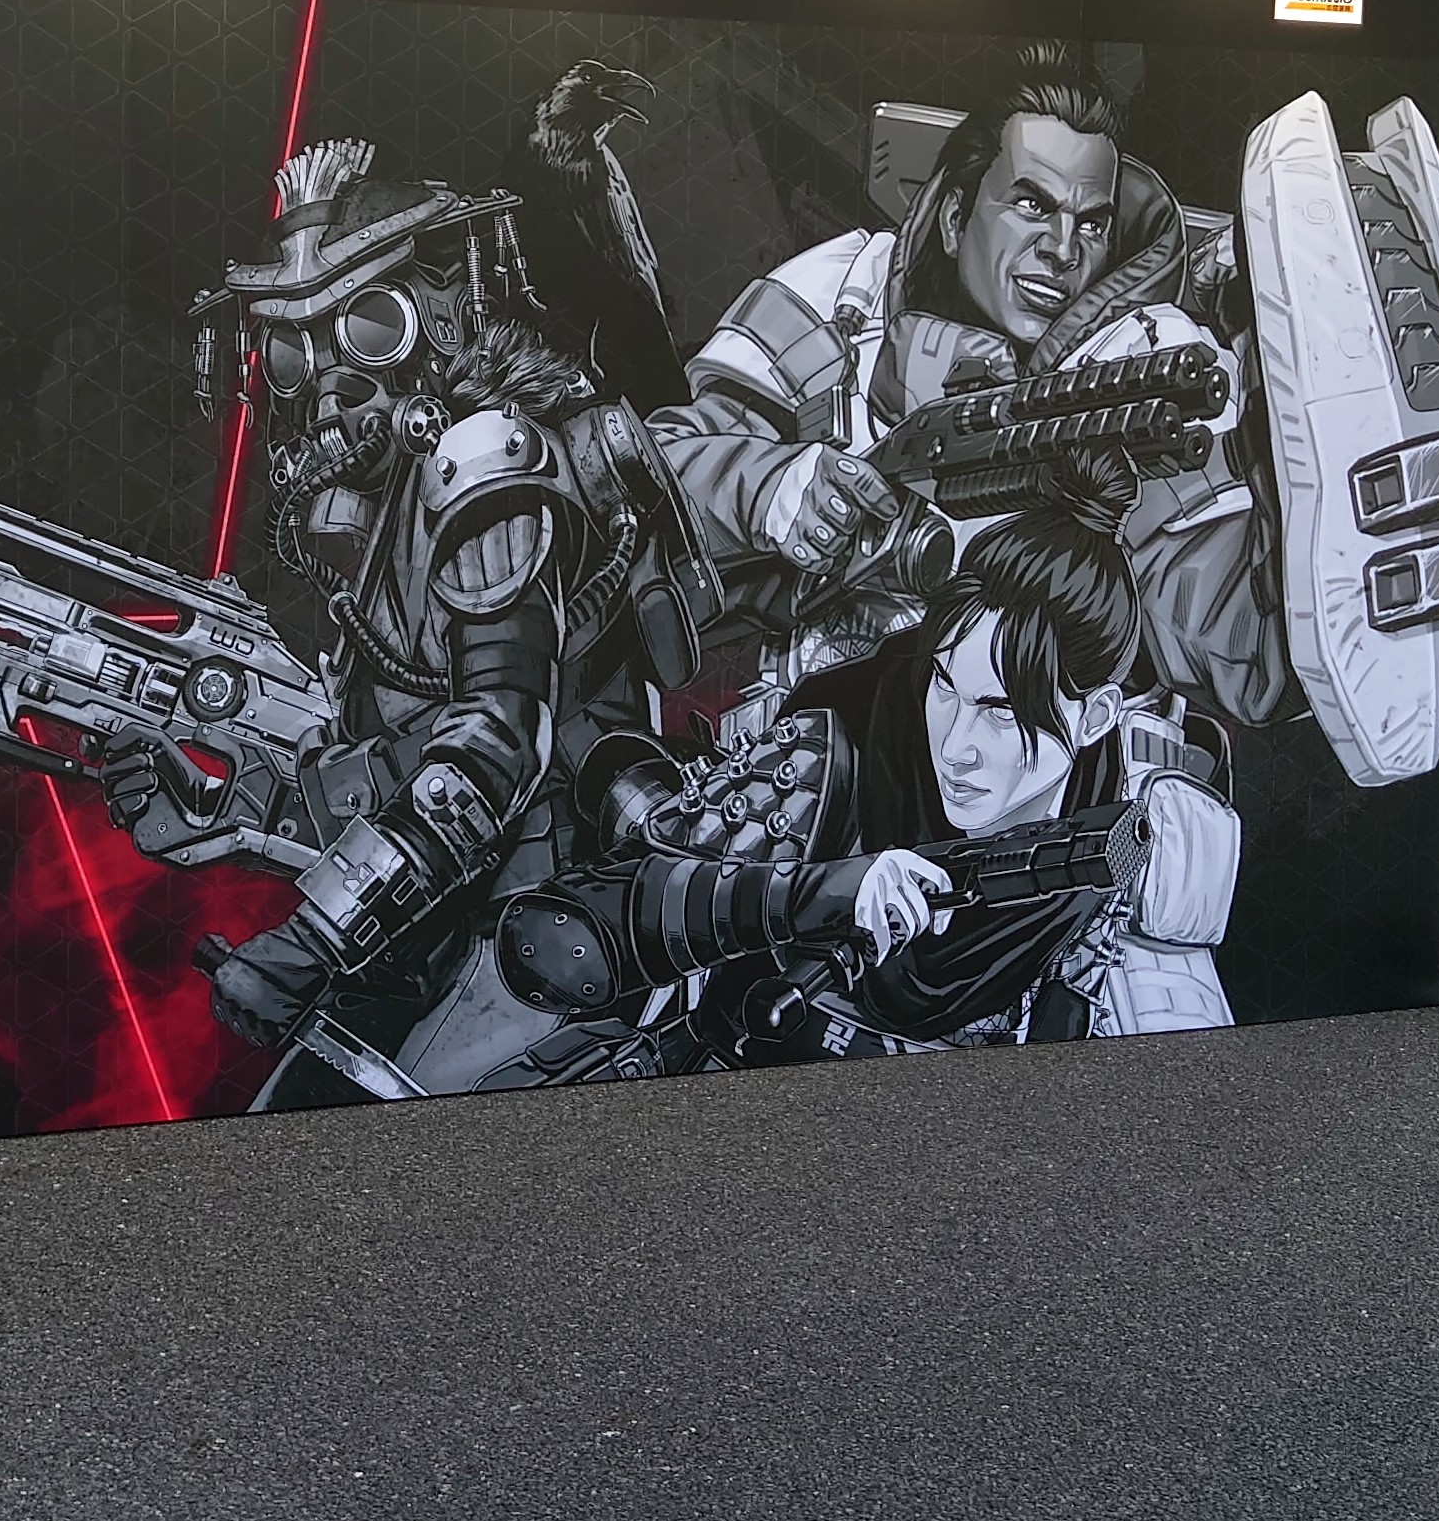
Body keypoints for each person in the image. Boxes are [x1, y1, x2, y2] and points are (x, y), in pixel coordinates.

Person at [90, 95, 716, 1101]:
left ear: (445, 317)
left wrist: (313, 940)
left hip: (548, 929)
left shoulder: (486, 468)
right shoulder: (386, 510)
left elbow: (491, 751)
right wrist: (217, 803)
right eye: (292, 351)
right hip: (440, 925)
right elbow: (390, 761)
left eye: (366, 329)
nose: (327, 383)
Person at [491, 452, 1242, 1072]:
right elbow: (565, 938)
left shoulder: (1147, 859)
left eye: (1000, 711)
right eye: (945, 685)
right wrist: (827, 894)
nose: (956, 746)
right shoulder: (840, 752)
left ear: (1096, 716)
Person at [644, 53, 1275, 724]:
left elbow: (1233, 649)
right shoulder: (842, 294)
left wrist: (1271, 456)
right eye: (1031, 205)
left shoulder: (1144, 367)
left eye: (1091, 222)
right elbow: (653, 467)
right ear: (954, 218)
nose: (1063, 249)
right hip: (805, 717)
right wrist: (773, 488)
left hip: (1023, 742)